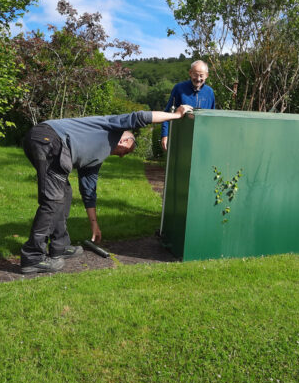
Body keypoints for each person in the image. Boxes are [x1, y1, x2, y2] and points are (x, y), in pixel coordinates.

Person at [21, 105, 193, 274]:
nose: (121, 156)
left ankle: (60, 246)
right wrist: (176, 116)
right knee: (52, 201)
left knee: (64, 194)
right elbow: (140, 117)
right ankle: (33, 257)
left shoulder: (95, 157)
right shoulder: (111, 126)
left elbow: (88, 190)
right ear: (125, 140)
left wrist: (94, 225)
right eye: (126, 151)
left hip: (48, 142)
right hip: (49, 139)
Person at [161, 60, 215, 151]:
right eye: (195, 74)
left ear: (207, 75)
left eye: (201, 75)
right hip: (180, 139)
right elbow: (167, 113)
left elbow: (212, 118)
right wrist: (165, 135)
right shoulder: (179, 89)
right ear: (190, 73)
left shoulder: (210, 92)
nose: (198, 79)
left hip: (201, 140)